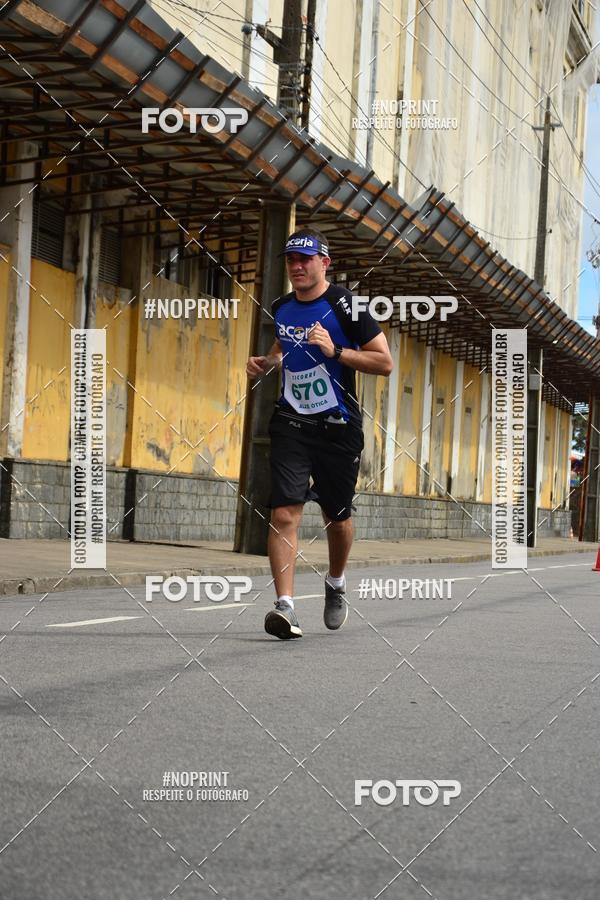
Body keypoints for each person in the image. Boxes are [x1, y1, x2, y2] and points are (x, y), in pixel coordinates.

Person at [245, 227, 393, 640]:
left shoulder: (345, 305)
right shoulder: (282, 306)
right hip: (292, 423)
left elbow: (385, 363)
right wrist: (269, 363)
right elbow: (284, 348)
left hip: (338, 427)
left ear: (324, 263)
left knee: (337, 517)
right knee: (283, 512)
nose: (296, 266)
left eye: (305, 259)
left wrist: (337, 352)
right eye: (291, 259)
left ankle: (336, 582)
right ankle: (285, 607)